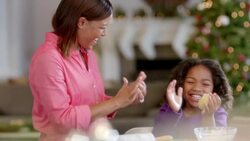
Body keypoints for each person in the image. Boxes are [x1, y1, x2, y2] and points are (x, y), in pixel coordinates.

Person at [29, 0, 147, 140]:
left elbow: (91, 103)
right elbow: (63, 120)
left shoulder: (88, 54)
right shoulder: (48, 58)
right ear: (82, 23)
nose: (104, 34)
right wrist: (117, 102)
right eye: (102, 27)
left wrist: (125, 98)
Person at [152, 58, 234, 139]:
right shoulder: (168, 109)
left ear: (214, 89)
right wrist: (173, 110)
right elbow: (158, 136)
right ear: (181, 84)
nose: (197, 88)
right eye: (190, 82)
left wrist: (208, 116)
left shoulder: (218, 113)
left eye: (205, 84)